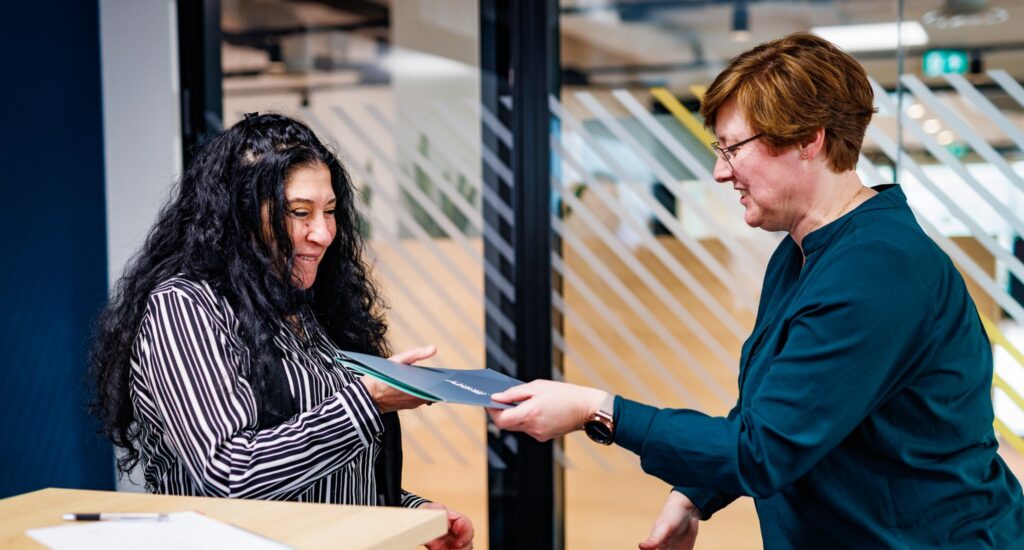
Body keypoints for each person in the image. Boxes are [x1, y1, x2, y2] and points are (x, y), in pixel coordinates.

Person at [488, 32, 1024, 549]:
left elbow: (764, 450)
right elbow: (776, 411)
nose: (721, 173)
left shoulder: (876, 269)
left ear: (808, 139)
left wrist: (598, 409)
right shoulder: (801, 253)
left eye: (732, 148)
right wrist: (695, 493)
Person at [91, 113, 472, 549]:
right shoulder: (185, 308)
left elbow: (315, 480)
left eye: (330, 211)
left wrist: (408, 511)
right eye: (299, 212)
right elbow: (231, 476)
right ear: (241, 215)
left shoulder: (305, 309)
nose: (324, 233)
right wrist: (366, 402)